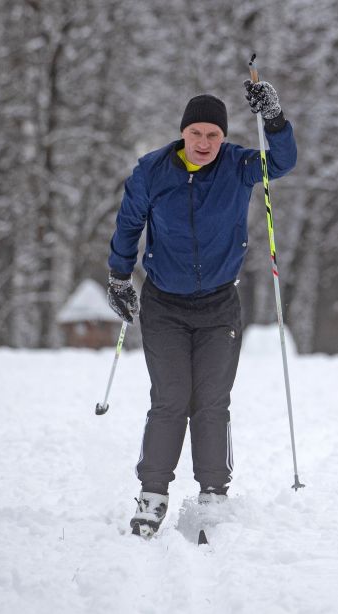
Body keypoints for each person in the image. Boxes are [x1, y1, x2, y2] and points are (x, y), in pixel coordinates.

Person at [106, 81, 297, 537]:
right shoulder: (152, 170)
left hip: (218, 306)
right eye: (197, 133)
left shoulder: (239, 165)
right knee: (170, 400)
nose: (205, 143)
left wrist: (274, 119)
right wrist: (118, 275)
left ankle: (213, 494)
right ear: (183, 133)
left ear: (224, 136)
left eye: (214, 134)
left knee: (211, 402)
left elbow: (283, 161)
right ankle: (152, 496)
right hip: (164, 304)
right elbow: (129, 223)